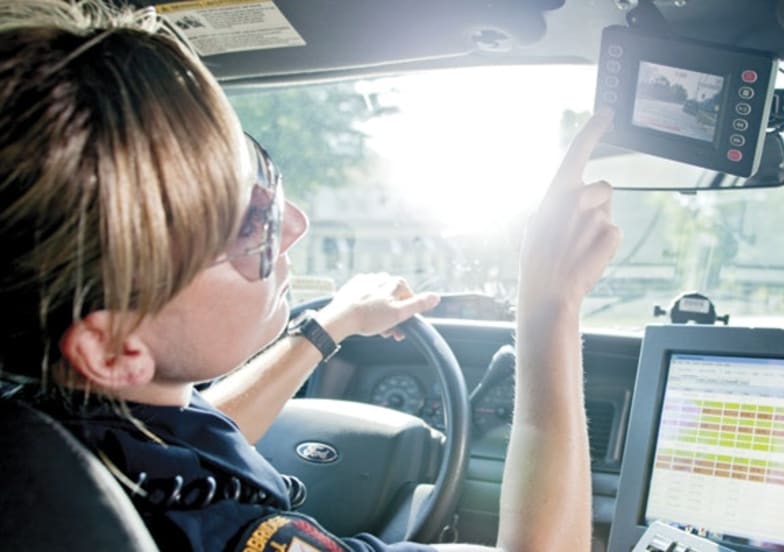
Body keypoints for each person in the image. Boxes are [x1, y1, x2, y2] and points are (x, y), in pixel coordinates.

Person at [0, 1, 621, 551]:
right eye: (252, 228)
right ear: (113, 350)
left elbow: (184, 440)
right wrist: (551, 304)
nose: (295, 223)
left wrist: (330, 327)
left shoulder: (53, 428)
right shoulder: (217, 533)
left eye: (261, 177)